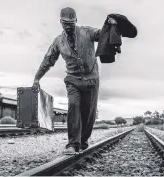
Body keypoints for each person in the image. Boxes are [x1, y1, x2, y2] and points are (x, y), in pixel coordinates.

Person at [32, 7, 117, 154]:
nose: (68, 26)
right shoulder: (58, 41)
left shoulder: (87, 32)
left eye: (71, 23)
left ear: (76, 21)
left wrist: (110, 24)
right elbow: (48, 60)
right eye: (65, 23)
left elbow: (102, 34)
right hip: (73, 80)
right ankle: (72, 144)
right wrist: (37, 78)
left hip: (91, 80)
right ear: (60, 22)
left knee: (88, 115)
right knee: (73, 106)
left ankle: (83, 141)